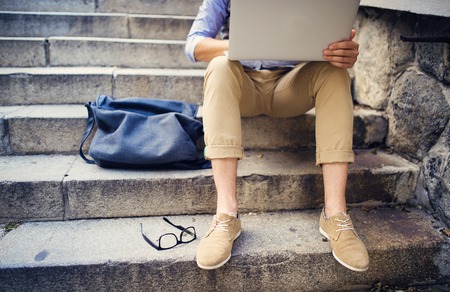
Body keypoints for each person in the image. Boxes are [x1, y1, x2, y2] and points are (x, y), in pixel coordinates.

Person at [185, 0, 369, 272]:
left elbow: (332, 37)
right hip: (240, 83)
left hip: (289, 85)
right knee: (219, 66)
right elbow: (194, 45)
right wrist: (243, 47)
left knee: (335, 72)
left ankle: (335, 215)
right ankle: (226, 216)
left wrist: (343, 52)